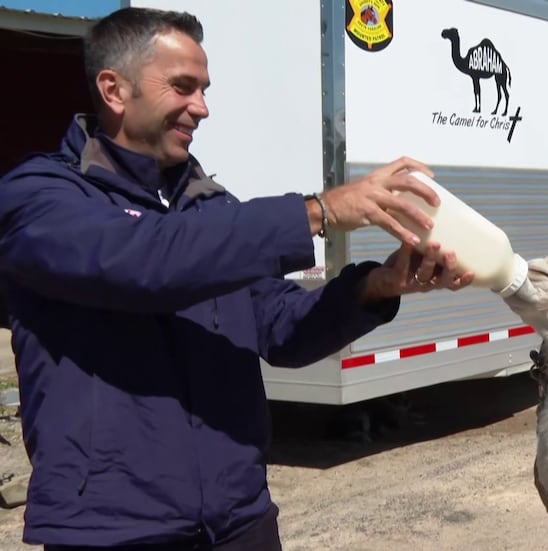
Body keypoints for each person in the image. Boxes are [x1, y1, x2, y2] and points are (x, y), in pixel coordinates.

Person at [0, 7, 473, 550]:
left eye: (203, 88)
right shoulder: (40, 198)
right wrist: (317, 211)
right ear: (114, 90)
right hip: (116, 532)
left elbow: (281, 330)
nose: (201, 107)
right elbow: (144, 263)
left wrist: (376, 287)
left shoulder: (209, 207)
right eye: (183, 87)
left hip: (240, 521)